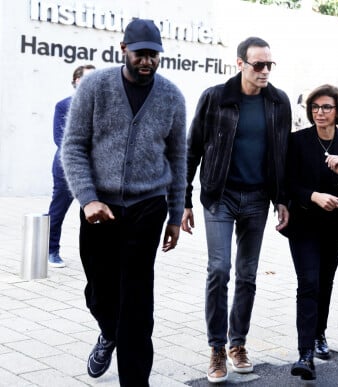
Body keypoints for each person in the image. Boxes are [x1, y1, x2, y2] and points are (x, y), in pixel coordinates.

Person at [61, 19, 186, 386]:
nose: (146, 61)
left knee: (136, 299)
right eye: (140, 53)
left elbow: (178, 159)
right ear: (123, 50)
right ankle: (108, 332)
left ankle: (135, 379)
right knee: (99, 292)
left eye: (153, 54)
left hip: (148, 206)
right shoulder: (95, 87)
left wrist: (176, 215)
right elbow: (73, 147)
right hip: (100, 209)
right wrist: (87, 199)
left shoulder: (171, 96)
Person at [180, 36, 291, 384]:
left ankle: (237, 343)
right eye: (258, 64)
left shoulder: (278, 102)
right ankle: (216, 348)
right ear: (240, 63)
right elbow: (192, 147)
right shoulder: (216, 98)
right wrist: (183, 199)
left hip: (258, 199)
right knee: (219, 269)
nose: (265, 71)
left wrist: (282, 200)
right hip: (220, 195)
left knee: (247, 274)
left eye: (269, 65)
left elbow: (282, 156)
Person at [283, 84, 338, 381]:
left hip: (334, 226)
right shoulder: (298, 141)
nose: (320, 112)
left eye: (326, 107)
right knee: (308, 284)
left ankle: (319, 335)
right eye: (315, 107)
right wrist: (312, 196)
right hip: (304, 224)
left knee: (325, 283)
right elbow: (288, 182)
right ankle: (305, 354)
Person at [47, 64, 95, 268]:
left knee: (94, 214)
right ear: (76, 81)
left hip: (95, 171)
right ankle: (50, 250)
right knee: (58, 210)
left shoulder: (103, 107)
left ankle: (94, 255)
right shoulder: (63, 105)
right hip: (67, 170)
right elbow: (60, 140)